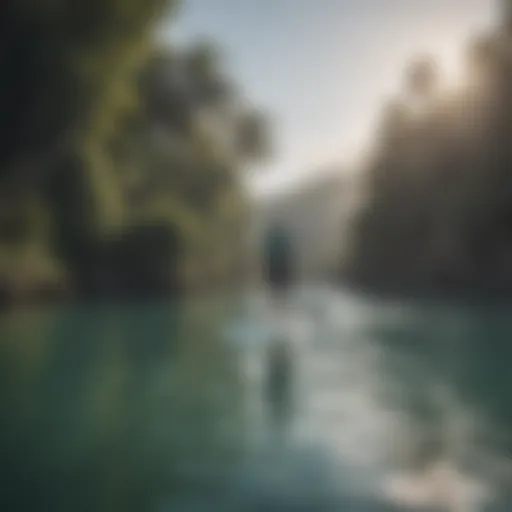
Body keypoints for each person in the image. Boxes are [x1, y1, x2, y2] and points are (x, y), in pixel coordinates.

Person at [263, 224, 294, 301]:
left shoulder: (271, 238)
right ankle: (282, 297)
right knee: (281, 281)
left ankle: (275, 297)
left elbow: (267, 251)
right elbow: (289, 249)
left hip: (274, 264)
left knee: (275, 281)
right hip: (281, 263)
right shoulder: (284, 238)